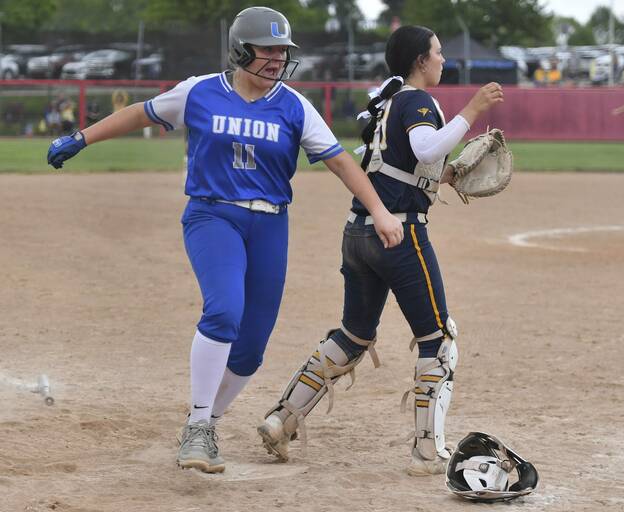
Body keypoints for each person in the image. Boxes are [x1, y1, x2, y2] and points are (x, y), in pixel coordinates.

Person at [46, 6, 404, 474]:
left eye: (283, 51)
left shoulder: (294, 105)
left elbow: (340, 161)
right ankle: (198, 425)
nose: (278, 59)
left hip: (270, 225)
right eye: (267, 50)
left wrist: (378, 210)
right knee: (223, 311)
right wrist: (82, 137)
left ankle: (206, 423)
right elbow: (141, 113)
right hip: (213, 216)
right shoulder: (200, 91)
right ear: (240, 50)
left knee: (251, 347)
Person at [257, 25, 504, 476]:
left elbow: (402, 164)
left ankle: (281, 419)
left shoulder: (387, 101)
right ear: (419, 60)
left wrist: (446, 175)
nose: (443, 59)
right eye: (437, 52)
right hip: (399, 234)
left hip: (359, 233)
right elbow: (424, 147)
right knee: (438, 341)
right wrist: (472, 110)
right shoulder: (417, 99)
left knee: (353, 335)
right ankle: (428, 453)